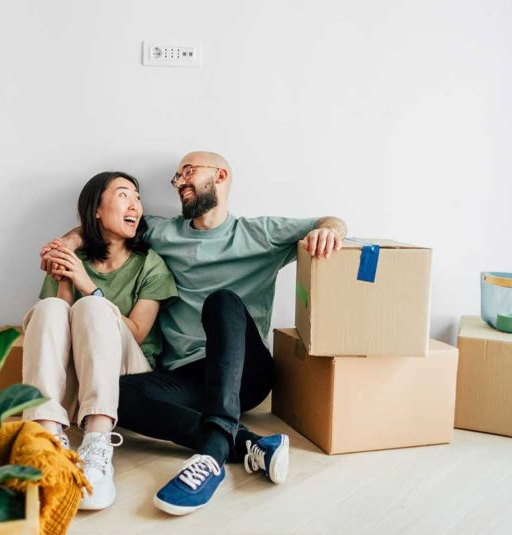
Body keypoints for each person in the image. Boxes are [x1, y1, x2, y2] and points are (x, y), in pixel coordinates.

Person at [40, 152, 346, 515]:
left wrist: (331, 231)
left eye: (188, 171)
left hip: (244, 371)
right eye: (175, 177)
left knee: (222, 302)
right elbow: (99, 226)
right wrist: (67, 244)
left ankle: (212, 455)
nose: (179, 181)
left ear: (220, 175)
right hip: (184, 376)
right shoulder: (161, 231)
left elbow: (330, 220)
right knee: (111, 397)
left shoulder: (260, 232)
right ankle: (247, 444)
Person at [23, 171, 178, 511]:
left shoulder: (150, 265)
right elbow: (56, 333)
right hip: (78, 379)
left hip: (129, 376)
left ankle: (97, 444)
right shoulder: (73, 258)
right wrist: (66, 277)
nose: (135, 205)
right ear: (96, 209)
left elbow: (137, 331)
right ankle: (47, 444)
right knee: (49, 308)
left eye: (138, 198)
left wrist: (87, 286)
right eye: (125, 195)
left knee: (94, 305)